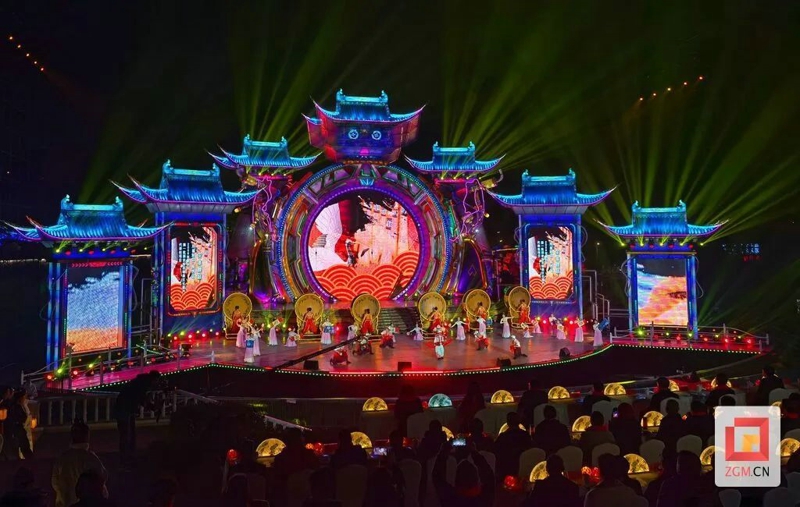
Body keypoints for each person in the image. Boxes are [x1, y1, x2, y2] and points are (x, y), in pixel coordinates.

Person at [52, 421, 108, 507]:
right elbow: (102, 477)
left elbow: (55, 482)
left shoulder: (62, 459)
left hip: (65, 503)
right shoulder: (91, 458)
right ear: (87, 436)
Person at [114, 370, 161, 467]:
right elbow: (141, 399)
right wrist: (152, 407)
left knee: (128, 434)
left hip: (125, 408)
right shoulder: (142, 385)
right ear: (154, 379)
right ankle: (125, 458)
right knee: (126, 435)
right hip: (125, 409)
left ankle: (127, 457)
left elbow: (140, 399)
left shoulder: (139, 382)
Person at [432, 442, 495, 507]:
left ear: (456, 479)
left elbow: (437, 476)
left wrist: (444, 451)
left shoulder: (449, 499)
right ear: (476, 478)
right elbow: (489, 477)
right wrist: (474, 453)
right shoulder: (484, 500)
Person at [494, 412, 532, 479]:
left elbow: (496, 451)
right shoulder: (525, 435)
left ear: (507, 423)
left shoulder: (503, 437)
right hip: (523, 467)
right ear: (519, 422)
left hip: (506, 468)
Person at [6, 390, 33, 459]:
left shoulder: (17, 406)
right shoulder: (16, 407)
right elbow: (22, 417)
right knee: (22, 444)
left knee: (23, 444)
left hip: (18, 428)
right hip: (17, 428)